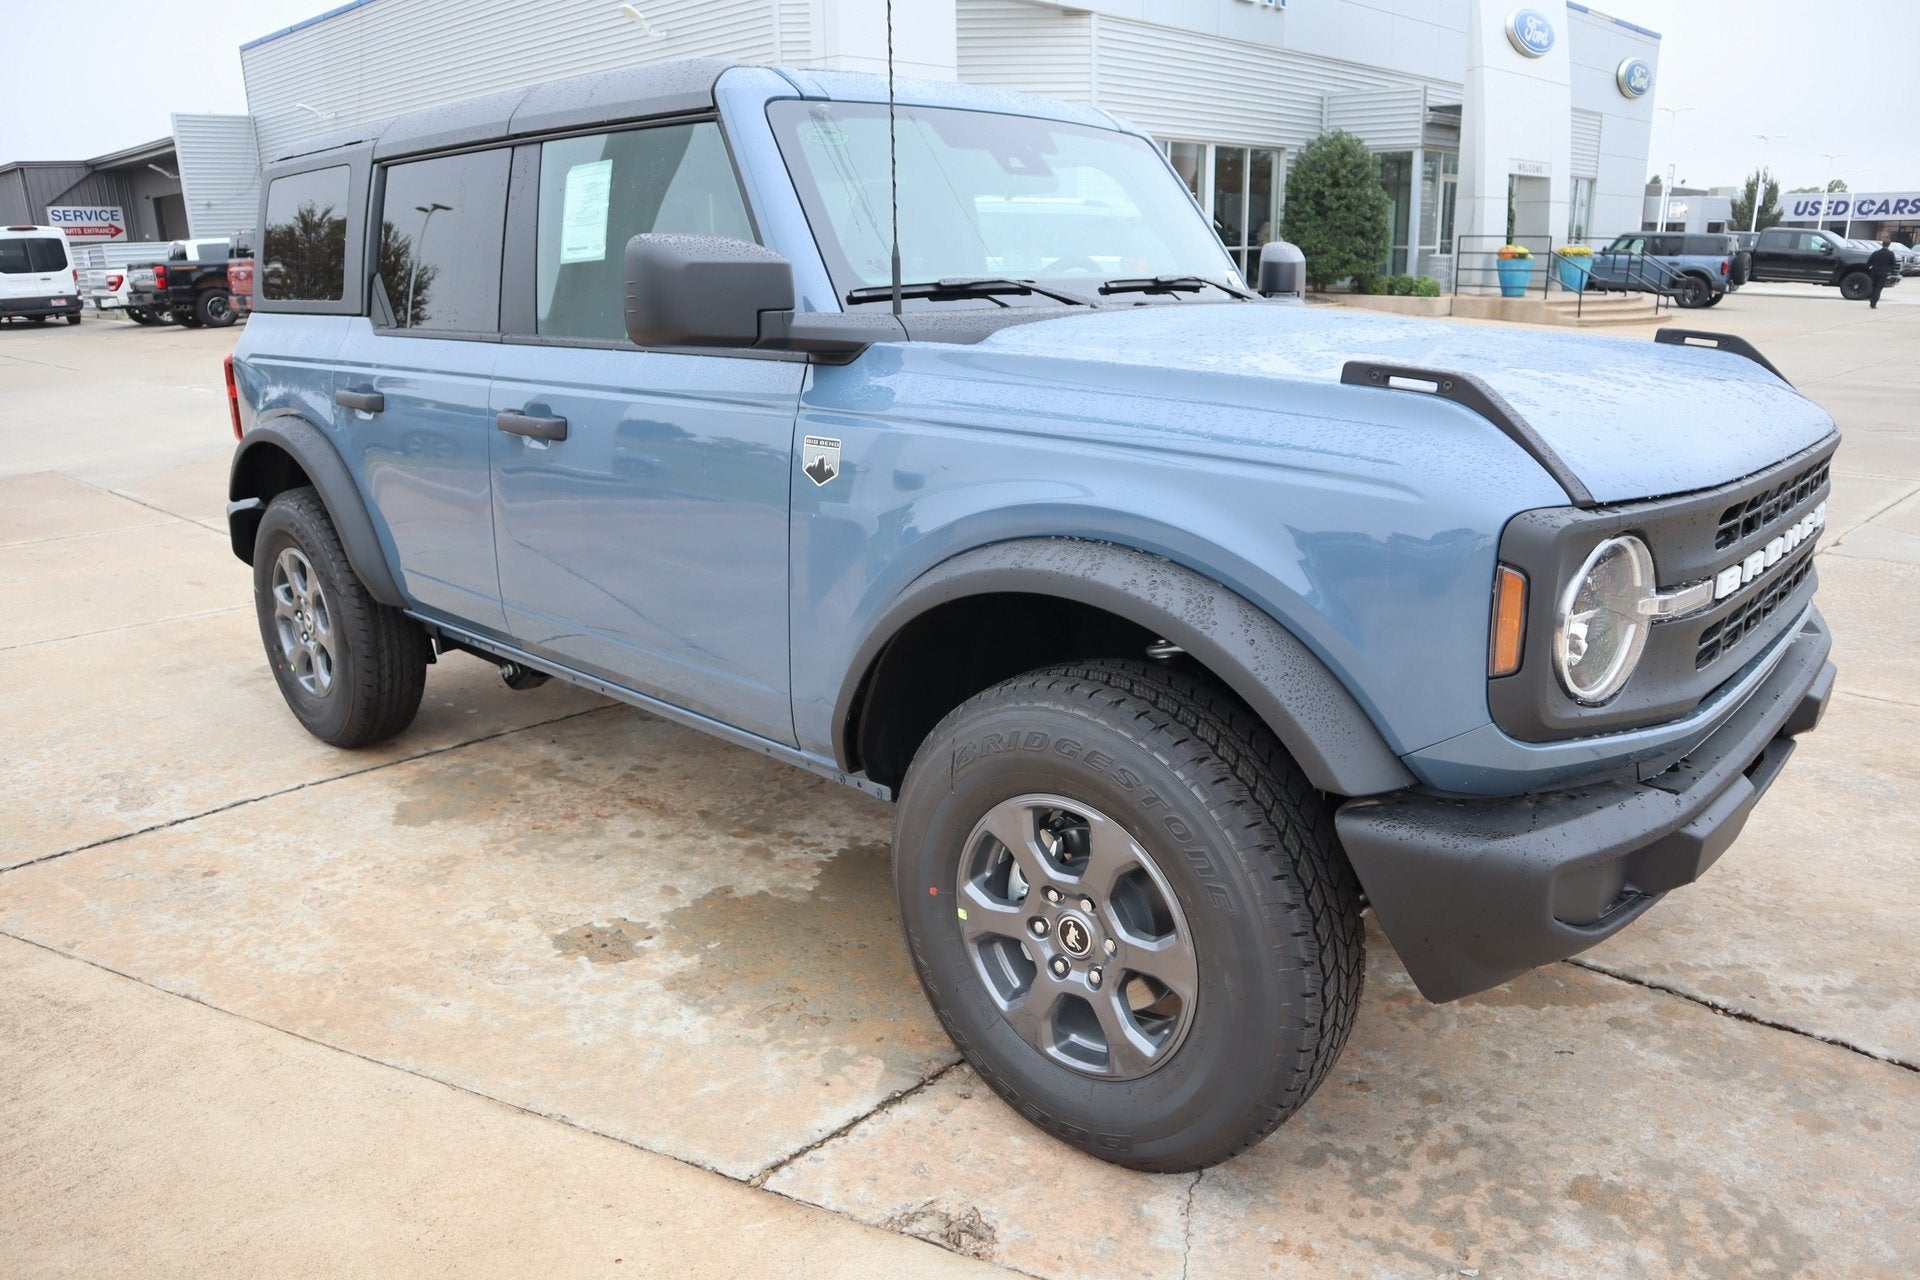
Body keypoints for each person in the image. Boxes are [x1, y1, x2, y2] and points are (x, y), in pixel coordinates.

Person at [1867, 233, 1898, 309]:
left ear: (1882, 244)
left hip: (1874, 272)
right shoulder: (1890, 254)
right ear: (1889, 245)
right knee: (1878, 288)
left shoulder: (1876, 253)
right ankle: (1874, 303)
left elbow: (1869, 262)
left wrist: (1870, 268)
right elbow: (1893, 263)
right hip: (1883, 273)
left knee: (1873, 287)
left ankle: (1871, 300)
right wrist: (1889, 270)